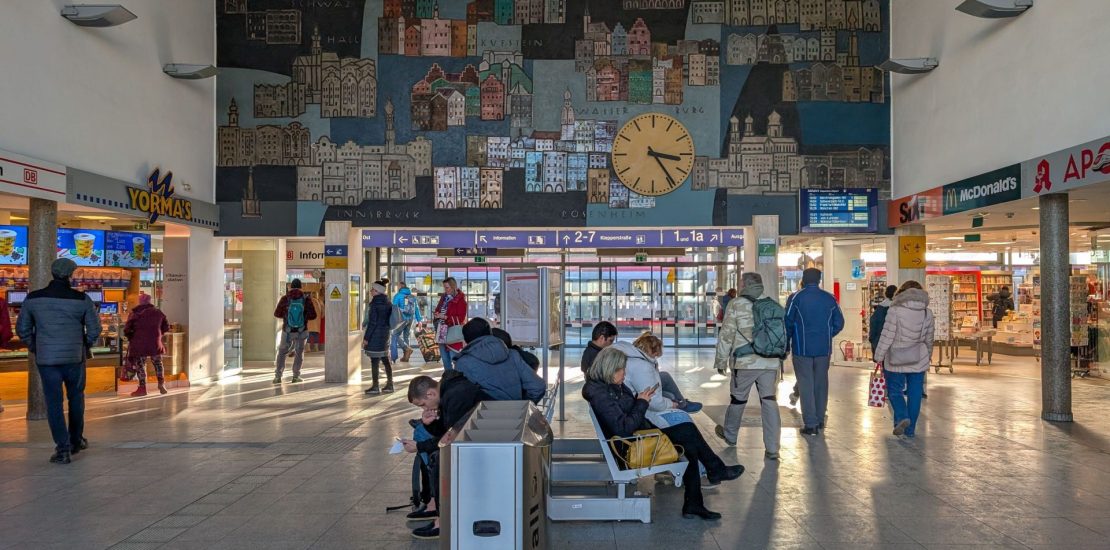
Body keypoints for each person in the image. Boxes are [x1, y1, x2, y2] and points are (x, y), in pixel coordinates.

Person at [583, 348, 744, 520]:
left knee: (688, 440)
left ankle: (697, 499)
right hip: (633, 445)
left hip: (641, 436)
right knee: (687, 435)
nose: (625, 373)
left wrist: (640, 398)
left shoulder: (607, 386)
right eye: (621, 369)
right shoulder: (601, 393)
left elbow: (623, 413)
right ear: (610, 369)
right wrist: (642, 402)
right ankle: (713, 474)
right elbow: (623, 428)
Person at [15, 258, 100, 464]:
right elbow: (95, 329)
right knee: (76, 399)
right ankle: (76, 440)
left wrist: (35, 346)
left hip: (47, 360)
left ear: (52, 273)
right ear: (71, 275)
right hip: (74, 358)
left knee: (54, 403)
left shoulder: (33, 299)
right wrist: (84, 345)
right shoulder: (82, 299)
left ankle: (62, 449)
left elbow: (22, 329)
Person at [403, 372, 491, 540]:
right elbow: (448, 431)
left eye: (423, 404)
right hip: (478, 437)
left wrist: (420, 446)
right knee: (430, 448)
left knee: (438, 459)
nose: (425, 409)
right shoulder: (449, 392)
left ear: (431, 393)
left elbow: (452, 437)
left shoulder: (455, 396)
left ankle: (443, 520)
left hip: (486, 441)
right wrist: (430, 424)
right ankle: (434, 506)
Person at [713, 272, 783, 459]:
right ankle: (773, 447)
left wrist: (721, 360)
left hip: (745, 362)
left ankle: (730, 435)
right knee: (769, 401)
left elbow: (726, 335)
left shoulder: (736, 304)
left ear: (744, 284)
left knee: (738, 400)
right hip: (770, 361)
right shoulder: (772, 303)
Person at [784, 268, 844, 436]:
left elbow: (788, 322)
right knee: (821, 384)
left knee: (805, 384)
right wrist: (826, 334)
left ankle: (810, 424)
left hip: (802, 348)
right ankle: (819, 420)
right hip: (823, 349)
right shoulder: (829, 298)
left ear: (803, 279)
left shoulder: (796, 298)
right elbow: (839, 323)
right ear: (819, 280)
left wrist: (786, 344)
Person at [874, 281, 935, 438]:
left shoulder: (894, 310)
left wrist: (878, 355)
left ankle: (902, 416)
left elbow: (887, 335)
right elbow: (929, 338)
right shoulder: (927, 313)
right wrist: (928, 355)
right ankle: (910, 430)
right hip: (918, 357)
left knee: (895, 390)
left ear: (900, 293)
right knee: (915, 393)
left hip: (896, 356)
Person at [454, 318, 545, 403]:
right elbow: (538, 387)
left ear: (466, 340)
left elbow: (460, 401)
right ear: (490, 332)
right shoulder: (513, 354)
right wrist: (522, 406)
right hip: (516, 416)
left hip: (483, 418)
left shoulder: (462, 363)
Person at [631, 332, 702, 413]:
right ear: (649, 351)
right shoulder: (641, 365)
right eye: (655, 355)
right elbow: (651, 395)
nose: (655, 358)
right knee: (668, 388)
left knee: (669, 391)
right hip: (640, 397)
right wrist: (670, 404)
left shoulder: (638, 358)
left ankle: (681, 403)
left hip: (640, 393)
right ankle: (682, 404)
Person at [123, 293, 169, 397]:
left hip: (139, 343)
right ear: (150, 301)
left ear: (140, 301)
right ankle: (161, 384)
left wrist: (131, 336)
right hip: (155, 343)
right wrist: (157, 335)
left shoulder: (135, 313)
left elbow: (127, 329)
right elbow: (166, 327)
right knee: (158, 363)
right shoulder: (158, 312)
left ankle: (142, 388)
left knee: (140, 365)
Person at [273, 278, 317, 384]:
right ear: (301, 287)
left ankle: (278, 376)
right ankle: (296, 376)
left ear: (290, 286)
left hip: (287, 330)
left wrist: (287, 316)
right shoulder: (306, 299)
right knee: (299, 353)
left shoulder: (285, 298)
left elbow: (277, 314)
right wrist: (303, 317)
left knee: (282, 352)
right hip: (302, 331)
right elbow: (313, 315)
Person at [363, 281, 394, 394]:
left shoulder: (375, 304)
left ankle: (375, 386)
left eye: (372, 289)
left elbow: (372, 323)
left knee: (374, 361)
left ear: (377, 291)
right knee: (385, 359)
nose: (370, 291)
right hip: (385, 334)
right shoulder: (387, 302)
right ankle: (390, 384)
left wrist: (366, 338)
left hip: (375, 335)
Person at [433, 277, 467, 371]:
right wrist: (436, 314)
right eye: (444, 287)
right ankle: (448, 378)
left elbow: (461, 318)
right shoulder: (444, 297)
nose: (445, 290)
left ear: (453, 287)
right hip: (442, 329)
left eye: (447, 287)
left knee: (453, 356)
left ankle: (456, 378)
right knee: (444, 358)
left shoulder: (461, 301)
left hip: (453, 330)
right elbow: (438, 309)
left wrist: (445, 317)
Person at [391, 281, 423, 362]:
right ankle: (406, 357)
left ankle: (394, 357)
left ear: (400, 288)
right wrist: (419, 320)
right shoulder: (412, 296)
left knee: (394, 335)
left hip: (401, 319)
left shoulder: (398, 296)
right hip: (410, 319)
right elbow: (416, 309)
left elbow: (394, 308)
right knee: (406, 336)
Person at [868, 285, 898, 355]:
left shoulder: (879, 309)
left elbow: (873, 326)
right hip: (895, 346)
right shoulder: (898, 309)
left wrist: (873, 341)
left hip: (880, 343)